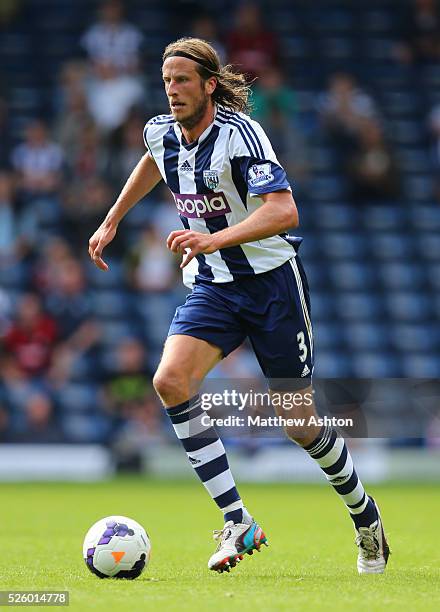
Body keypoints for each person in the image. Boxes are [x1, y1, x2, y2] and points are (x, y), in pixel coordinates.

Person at [88, 37, 389, 575]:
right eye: (166, 82)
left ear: (208, 84)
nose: (172, 91)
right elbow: (153, 162)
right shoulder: (162, 132)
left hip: (272, 286)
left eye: (182, 80)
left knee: (299, 423)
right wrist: (113, 219)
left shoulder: (240, 135)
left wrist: (212, 240)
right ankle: (237, 519)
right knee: (170, 380)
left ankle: (365, 517)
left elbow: (285, 211)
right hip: (215, 287)